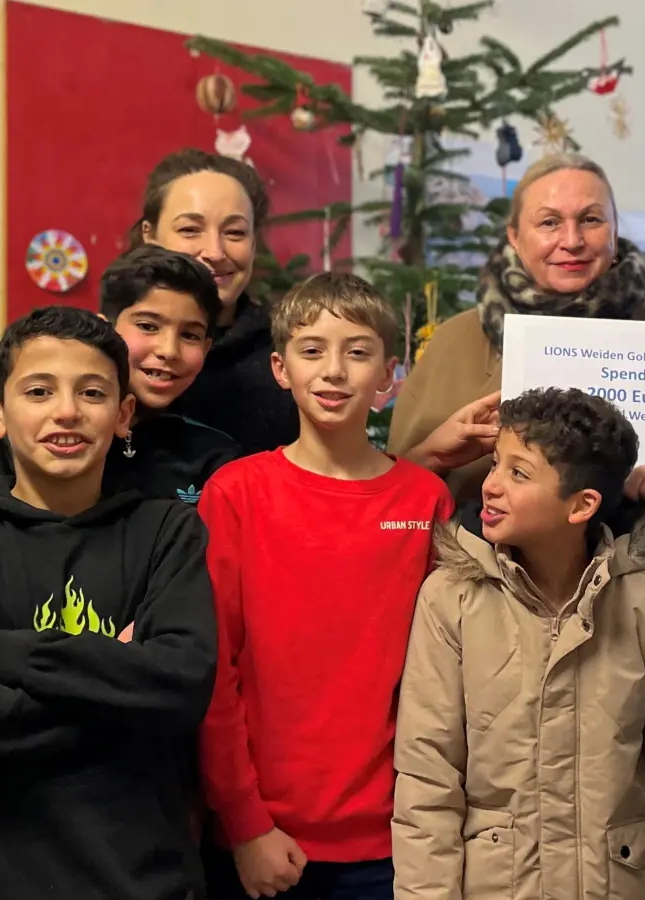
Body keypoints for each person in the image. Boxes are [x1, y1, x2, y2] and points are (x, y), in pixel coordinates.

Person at [0, 306, 216, 900]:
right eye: (39, 390)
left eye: (92, 392)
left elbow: (181, 691)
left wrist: (10, 655)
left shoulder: (168, 532)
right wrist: (119, 681)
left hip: (146, 882)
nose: (66, 411)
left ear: (124, 415)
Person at [393, 387, 645, 900]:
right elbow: (427, 783)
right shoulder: (450, 601)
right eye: (496, 464)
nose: (491, 486)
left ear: (582, 505)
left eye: (519, 473)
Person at [198, 272, 452, 900]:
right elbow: (212, 670)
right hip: (261, 835)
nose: (334, 370)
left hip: (395, 837)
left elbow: (447, 675)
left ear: (389, 375)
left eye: (357, 352)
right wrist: (245, 824)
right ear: (282, 369)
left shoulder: (425, 500)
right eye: (313, 350)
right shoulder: (236, 494)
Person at [388, 152, 645, 513]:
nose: (572, 240)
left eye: (591, 219)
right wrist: (434, 456)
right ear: (515, 237)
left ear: (614, 232)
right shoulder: (455, 341)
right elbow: (393, 492)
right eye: (549, 222)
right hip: (472, 560)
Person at [0, 244, 238, 504]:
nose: (169, 350)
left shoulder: (214, 456)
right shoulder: (30, 437)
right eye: (148, 326)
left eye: (190, 335)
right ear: (106, 329)